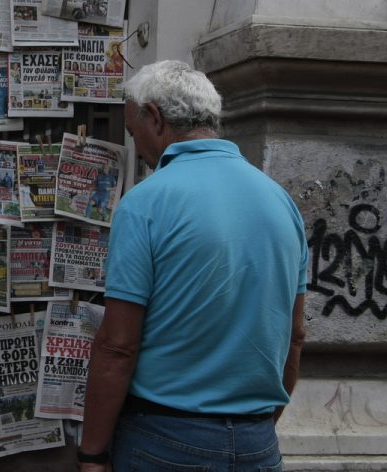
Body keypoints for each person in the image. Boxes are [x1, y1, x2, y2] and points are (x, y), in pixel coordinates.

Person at [78, 61, 307, 472]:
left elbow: (117, 347)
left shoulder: (145, 204)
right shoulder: (280, 202)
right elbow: (295, 336)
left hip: (165, 442)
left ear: (155, 118)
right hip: (259, 442)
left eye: (134, 134)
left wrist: (92, 454)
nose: (140, 152)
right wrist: (253, 430)